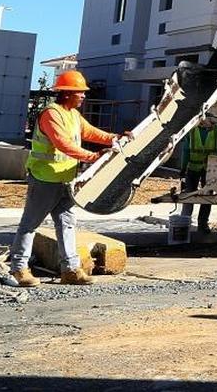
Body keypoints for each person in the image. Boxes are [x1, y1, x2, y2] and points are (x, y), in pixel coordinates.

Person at [9, 70, 132, 287]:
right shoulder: (51, 114)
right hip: (45, 178)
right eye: (80, 92)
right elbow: (62, 144)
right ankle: (19, 269)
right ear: (67, 94)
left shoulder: (73, 114)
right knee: (30, 224)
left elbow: (91, 133)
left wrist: (115, 138)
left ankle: (70, 270)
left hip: (66, 180)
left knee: (66, 223)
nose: (84, 95)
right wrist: (92, 157)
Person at [179, 117, 217, 234]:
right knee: (189, 196)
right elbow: (186, 150)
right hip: (193, 168)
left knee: (207, 197)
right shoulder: (192, 130)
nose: (204, 121)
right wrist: (183, 168)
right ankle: (185, 223)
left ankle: (202, 224)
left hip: (209, 170)